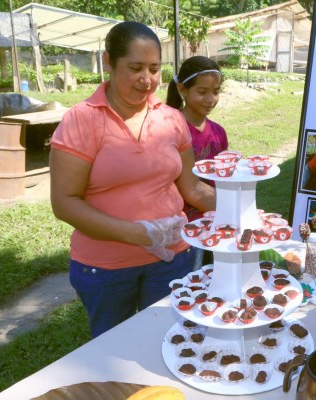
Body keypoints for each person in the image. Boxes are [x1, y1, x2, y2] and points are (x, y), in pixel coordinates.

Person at [49, 21, 216, 338]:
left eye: (155, 69)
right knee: (115, 349)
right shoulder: (82, 120)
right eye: (136, 67)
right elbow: (65, 203)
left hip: (173, 258)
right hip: (106, 268)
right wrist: (138, 233)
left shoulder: (170, 118)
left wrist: (241, 206)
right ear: (109, 62)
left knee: (171, 340)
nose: (147, 80)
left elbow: (192, 188)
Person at [166, 56, 228, 270]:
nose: (210, 99)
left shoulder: (218, 132)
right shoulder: (170, 130)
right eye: (202, 92)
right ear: (183, 89)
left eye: (216, 91)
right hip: (184, 229)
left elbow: (223, 179)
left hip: (216, 223)